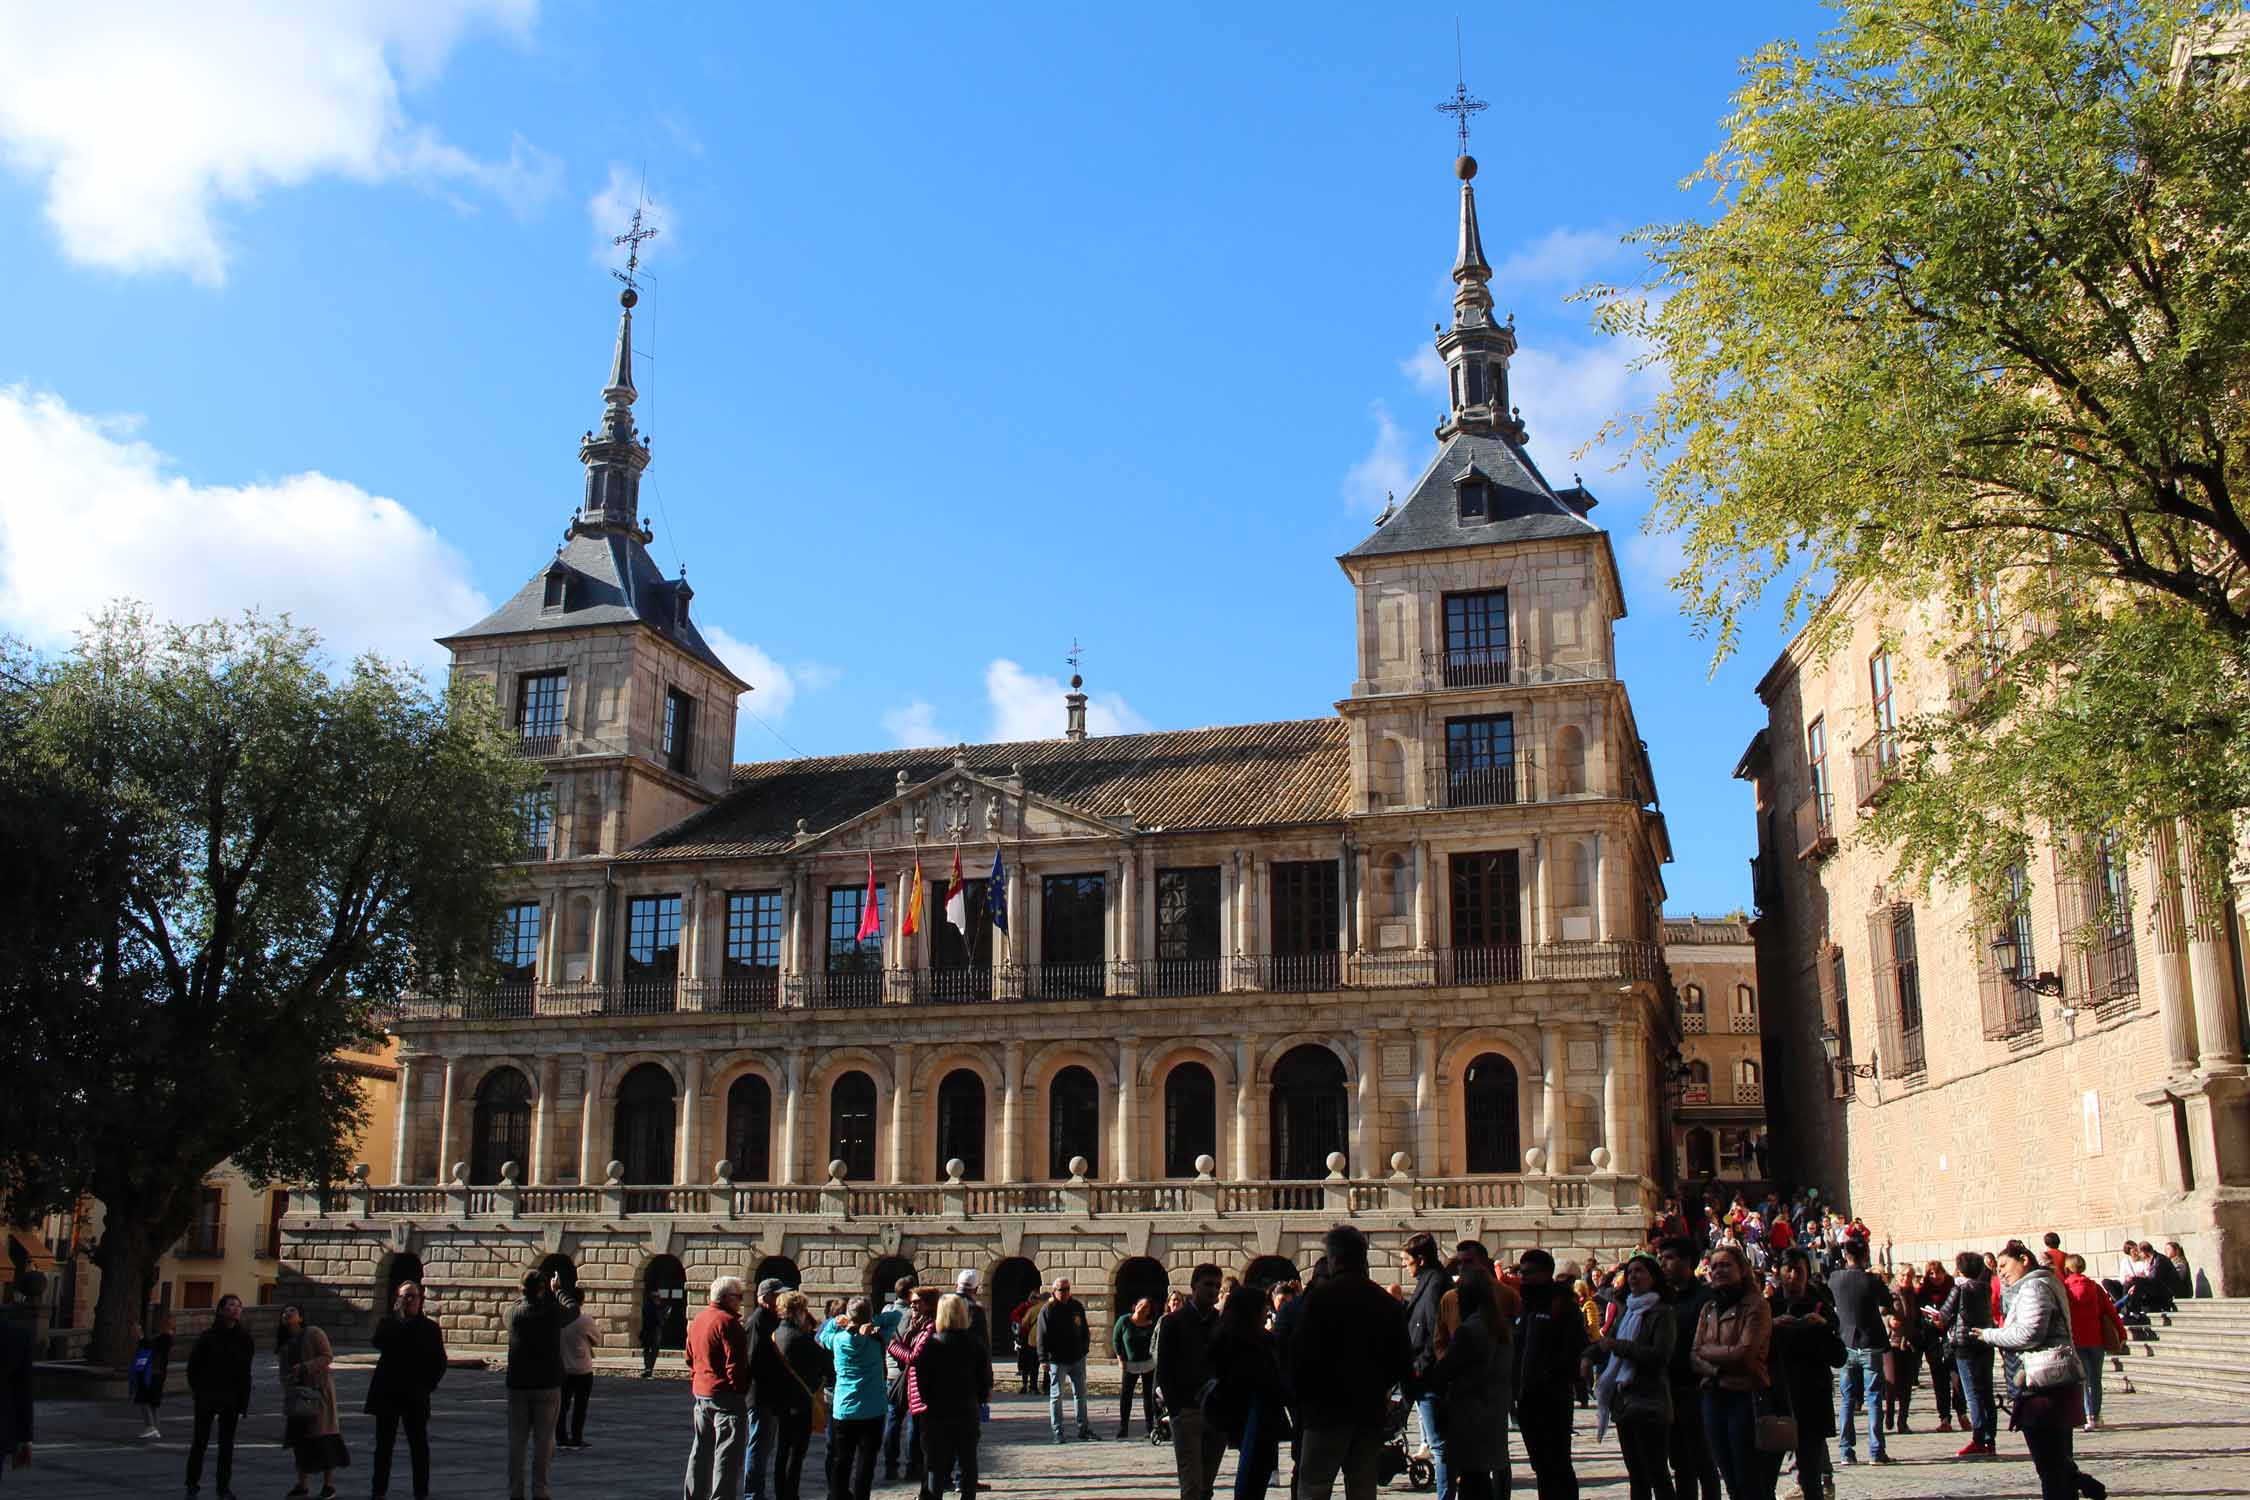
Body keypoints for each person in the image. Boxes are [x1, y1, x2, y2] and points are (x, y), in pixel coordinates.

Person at [1971, 1243, 2106, 1500]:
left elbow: (2031, 1332)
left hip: (2044, 1382)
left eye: (2004, 1265)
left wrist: (1989, 1335)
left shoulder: (2034, 1286)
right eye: (1997, 1268)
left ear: (2023, 1259)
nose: (2001, 1273)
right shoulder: (2044, 1282)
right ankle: (2083, 1484)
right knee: (2056, 1459)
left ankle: (2081, 1484)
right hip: (2051, 1379)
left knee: (2049, 1463)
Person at [1288, 1226, 1411, 1500]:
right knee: (1362, 1490)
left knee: (1314, 1488)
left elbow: (1299, 1356)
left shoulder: (1318, 1299)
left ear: (1334, 1259)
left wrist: (1303, 1400)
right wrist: (1378, 1388)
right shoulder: (1386, 1302)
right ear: (1363, 1257)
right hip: (1367, 1412)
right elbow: (1402, 1359)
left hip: (1324, 1412)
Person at [1585, 1253, 1675, 1500]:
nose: (1633, 1276)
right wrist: (1588, 1356)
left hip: (1650, 1399)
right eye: (1631, 1272)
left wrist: (1619, 1346)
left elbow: (1659, 1355)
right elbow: (1605, 1343)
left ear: (1653, 1278)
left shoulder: (1661, 1313)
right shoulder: (1626, 1310)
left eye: (1640, 1271)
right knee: (1636, 1474)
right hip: (1624, 1401)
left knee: (1657, 1472)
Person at [1690, 1244, 1775, 1500]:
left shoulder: (1756, 1305)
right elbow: (1694, 1353)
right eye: (1714, 1266)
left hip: (1745, 1397)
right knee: (1728, 1476)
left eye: (1726, 1265)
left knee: (1748, 1477)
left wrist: (1709, 1354)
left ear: (1742, 1269)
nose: (1718, 1270)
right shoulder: (1708, 1309)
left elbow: (1745, 1353)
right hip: (1713, 1397)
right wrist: (1717, 1369)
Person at [1421, 1262, 1512, 1500]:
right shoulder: (1500, 1327)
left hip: (1469, 1412)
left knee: (1472, 1482)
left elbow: (1446, 1370)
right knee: (1482, 1479)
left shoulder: (1470, 1330)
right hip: (1494, 1410)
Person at [1513, 1247, 1589, 1500]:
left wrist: (1552, 1376)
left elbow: (1573, 1347)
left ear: (1546, 1273)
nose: (1523, 1278)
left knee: (1557, 1464)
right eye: (1521, 1272)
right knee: (1542, 1467)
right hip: (1526, 1398)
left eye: (1529, 1273)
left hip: (1552, 1397)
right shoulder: (1525, 1306)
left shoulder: (1561, 1305)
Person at [1766, 1249, 1842, 1500]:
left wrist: (1820, 1328)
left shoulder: (1819, 1306)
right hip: (1776, 1400)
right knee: (1765, 1477)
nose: (1793, 1276)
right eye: (1789, 1269)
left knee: (1810, 1477)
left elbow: (1839, 1357)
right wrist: (1772, 1327)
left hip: (1811, 1400)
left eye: (1799, 1270)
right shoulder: (1768, 1306)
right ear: (1779, 1271)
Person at [1208, 1283, 1290, 1500]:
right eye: (1263, 1308)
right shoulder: (1250, 1340)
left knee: (1255, 1473)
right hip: (1255, 1413)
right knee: (1252, 1474)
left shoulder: (1224, 1336)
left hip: (1246, 1415)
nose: (1267, 1312)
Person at [366, 1280, 447, 1500]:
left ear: (420, 1300)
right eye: (405, 1296)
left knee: (419, 1448)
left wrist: (427, 1387)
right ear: (397, 1298)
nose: (410, 1300)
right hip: (388, 1393)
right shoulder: (388, 1323)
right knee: (383, 1448)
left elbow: (439, 1362)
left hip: (415, 1395)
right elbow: (379, 1342)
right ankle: (378, 1491)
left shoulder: (430, 1328)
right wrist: (398, 1318)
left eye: (413, 1296)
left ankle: (421, 1493)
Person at [1657, 1239, 1720, 1500]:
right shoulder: (1663, 1299)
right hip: (1668, 1390)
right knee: (1681, 1464)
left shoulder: (1707, 1298)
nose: (1663, 1263)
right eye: (1661, 1257)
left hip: (1697, 1389)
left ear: (1688, 1262)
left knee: (1704, 1462)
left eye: (1669, 1258)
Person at [1158, 1262, 1226, 1500]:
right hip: (1187, 1411)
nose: (1213, 1290)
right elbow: (1164, 1371)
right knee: (1192, 1483)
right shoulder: (1173, 1323)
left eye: (1217, 1286)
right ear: (1194, 1285)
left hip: (1217, 1414)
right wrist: (1175, 1409)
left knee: (1207, 1483)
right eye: (1208, 1284)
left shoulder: (1222, 1323)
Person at [1825, 1238, 1891, 1466]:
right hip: (1870, 1340)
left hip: (1845, 1341)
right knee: (1873, 1397)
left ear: (1846, 1256)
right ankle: (1876, 1451)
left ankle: (1846, 1452)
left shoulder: (1834, 1279)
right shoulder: (1870, 1279)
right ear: (1865, 1256)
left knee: (1846, 1399)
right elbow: (1887, 1301)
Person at [685, 1275, 752, 1500]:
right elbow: (735, 1364)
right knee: (727, 1454)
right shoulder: (728, 1322)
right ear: (728, 1298)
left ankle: (694, 1496)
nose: (741, 1302)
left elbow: (689, 1356)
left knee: (701, 1451)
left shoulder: (698, 1319)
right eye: (739, 1297)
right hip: (725, 1396)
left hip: (702, 1392)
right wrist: (740, 1390)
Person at [1400, 1232, 1454, 1500]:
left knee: (1439, 1444)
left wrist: (1421, 1365)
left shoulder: (1434, 1284)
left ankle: (1445, 1495)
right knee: (1440, 1442)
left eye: (1407, 1260)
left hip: (1430, 1376)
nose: (1404, 1265)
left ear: (1420, 1260)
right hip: (1426, 1373)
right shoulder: (1429, 1280)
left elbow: (1434, 1329)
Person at [819, 1297, 891, 1500]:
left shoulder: (839, 1340)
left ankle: (837, 1496)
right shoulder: (877, 1340)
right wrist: (873, 1322)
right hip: (873, 1409)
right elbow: (894, 1317)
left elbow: (822, 1335)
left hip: (845, 1408)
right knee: (866, 1464)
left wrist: (837, 1321)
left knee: (841, 1460)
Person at [185, 1291, 254, 1500]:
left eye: (238, 1306)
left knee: (226, 1445)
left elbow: (245, 1372)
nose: (235, 1309)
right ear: (221, 1311)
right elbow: (193, 1366)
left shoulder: (245, 1339)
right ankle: (192, 1484)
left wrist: (243, 1401)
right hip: (207, 1395)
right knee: (200, 1442)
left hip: (231, 1397)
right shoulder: (207, 1337)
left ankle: (223, 1487)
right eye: (231, 1305)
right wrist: (198, 1390)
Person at [503, 1269, 565, 1500]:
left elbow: (521, 1301)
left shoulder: (511, 1314)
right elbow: (573, 1311)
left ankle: (515, 1492)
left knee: (516, 1443)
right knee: (544, 1441)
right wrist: (557, 1291)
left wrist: (527, 1292)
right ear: (542, 1289)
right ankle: (541, 1490)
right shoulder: (552, 1314)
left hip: (518, 1386)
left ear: (521, 1289)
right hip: (547, 1385)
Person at [1930, 1250, 1998, 1457]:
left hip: (1964, 1345)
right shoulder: (1985, 1288)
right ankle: (1990, 1439)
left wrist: (1935, 1317)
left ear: (1960, 1269)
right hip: (1984, 1342)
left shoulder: (1960, 1288)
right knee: (1986, 1392)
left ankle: (1978, 1438)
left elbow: (1944, 1314)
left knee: (1972, 1394)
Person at [276, 1303, 347, 1499]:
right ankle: (302, 1484)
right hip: (298, 1395)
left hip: (320, 1393)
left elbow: (327, 1356)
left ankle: (328, 1485)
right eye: (284, 1312)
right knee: (300, 1441)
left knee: (325, 1439)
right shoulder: (285, 1344)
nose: (287, 1314)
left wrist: (306, 1367)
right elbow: (283, 1371)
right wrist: (288, 1385)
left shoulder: (314, 1333)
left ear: (300, 1317)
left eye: (291, 1311)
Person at [766, 1292, 829, 1500]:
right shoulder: (800, 1338)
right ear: (797, 1312)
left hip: (781, 1400)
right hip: (800, 1402)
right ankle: (790, 1494)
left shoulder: (776, 1334)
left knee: (782, 1451)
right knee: (796, 1453)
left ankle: (781, 1493)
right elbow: (824, 1363)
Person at [2057, 1255, 2125, 1433]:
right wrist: (2122, 1332)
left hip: (2076, 1339)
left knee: (2083, 1379)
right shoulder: (2094, 1288)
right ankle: (2095, 1415)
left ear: (2068, 1268)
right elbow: (2110, 1311)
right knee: (2095, 1379)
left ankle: (2085, 1416)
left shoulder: (2064, 1289)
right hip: (2096, 1338)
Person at [746, 1277, 796, 1500]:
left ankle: (757, 1491)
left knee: (764, 1447)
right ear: (766, 1298)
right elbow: (753, 1360)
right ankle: (753, 1494)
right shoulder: (758, 1321)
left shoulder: (771, 1319)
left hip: (770, 1396)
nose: (782, 1299)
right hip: (761, 1396)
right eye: (778, 1295)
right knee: (758, 1446)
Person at [1037, 1276, 1094, 1442]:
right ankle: (1058, 1432)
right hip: (1057, 1360)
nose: (1066, 1292)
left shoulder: (1076, 1306)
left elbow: (1084, 1329)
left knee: (1081, 1394)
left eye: (1068, 1289)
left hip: (1077, 1357)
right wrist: (1043, 1359)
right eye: (1062, 1290)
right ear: (1054, 1291)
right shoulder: (1048, 1309)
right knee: (1056, 1396)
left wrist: (1085, 1348)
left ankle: (1083, 1429)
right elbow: (1042, 1335)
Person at [883, 1278, 925, 1484]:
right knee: (913, 1422)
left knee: (892, 1421)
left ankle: (890, 1467)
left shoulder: (885, 1312)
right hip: (908, 1373)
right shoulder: (911, 1315)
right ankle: (911, 1467)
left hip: (890, 1374)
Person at [555, 1288, 600, 1450]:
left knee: (562, 1405)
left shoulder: (557, 1320)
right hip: (582, 1369)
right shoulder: (585, 1319)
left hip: (562, 1368)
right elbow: (597, 1340)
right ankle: (576, 1437)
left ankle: (560, 1436)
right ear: (582, 1301)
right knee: (580, 1406)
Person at [1110, 1295, 1159, 1439]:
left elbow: (1156, 1341)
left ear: (1149, 1310)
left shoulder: (1152, 1323)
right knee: (1126, 1396)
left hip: (1148, 1364)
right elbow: (1116, 1340)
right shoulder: (1124, 1320)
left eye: (1146, 1306)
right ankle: (1123, 1427)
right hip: (1129, 1364)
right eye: (1141, 1304)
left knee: (1148, 1397)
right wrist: (1120, 1359)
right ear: (1135, 1305)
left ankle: (1150, 1427)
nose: (1142, 1307)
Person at [1879, 1266, 1920, 1434]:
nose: (1906, 1278)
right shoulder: (1889, 1293)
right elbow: (1881, 1314)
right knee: (1892, 1384)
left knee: (1907, 1385)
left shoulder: (1913, 1295)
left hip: (1908, 1344)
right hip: (1892, 1344)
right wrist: (1889, 1321)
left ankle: (1903, 1420)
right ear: (1897, 1276)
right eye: (1903, 1275)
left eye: (1909, 1276)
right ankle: (1889, 1414)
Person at [129, 1313, 173, 1438]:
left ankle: (151, 1427)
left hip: (152, 1373)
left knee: (145, 1400)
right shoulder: (164, 1338)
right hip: (156, 1373)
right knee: (153, 1402)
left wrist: (140, 1337)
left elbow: (148, 1347)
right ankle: (154, 1428)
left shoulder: (163, 1339)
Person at [1009, 1287, 1044, 1395]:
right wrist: (1022, 1322)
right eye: (1035, 1298)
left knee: (1032, 1363)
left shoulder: (1036, 1308)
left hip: (1032, 1338)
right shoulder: (1025, 1306)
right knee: (1026, 1362)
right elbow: (1014, 1315)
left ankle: (1030, 1386)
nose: (1036, 1300)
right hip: (1025, 1337)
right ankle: (1026, 1385)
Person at [643, 1288, 669, 1378]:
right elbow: (660, 1320)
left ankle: (648, 1368)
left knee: (649, 1350)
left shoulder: (648, 1306)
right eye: (656, 1298)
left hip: (650, 1331)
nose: (658, 1300)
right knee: (652, 1350)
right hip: (652, 1331)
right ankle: (649, 1368)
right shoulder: (655, 1307)